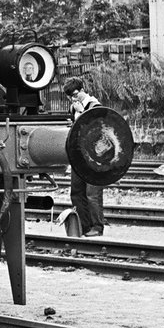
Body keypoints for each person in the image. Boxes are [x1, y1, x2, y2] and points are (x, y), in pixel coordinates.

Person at [64, 76, 104, 237]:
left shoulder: (95, 106)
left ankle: (97, 226)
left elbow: (97, 130)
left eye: (75, 94)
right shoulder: (73, 108)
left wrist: (82, 113)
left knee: (92, 194)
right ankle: (84, 225)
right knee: (76, 192)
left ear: (82, 90)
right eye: (70, 96)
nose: (73, 99)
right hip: (79, 156)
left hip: (95, 156)